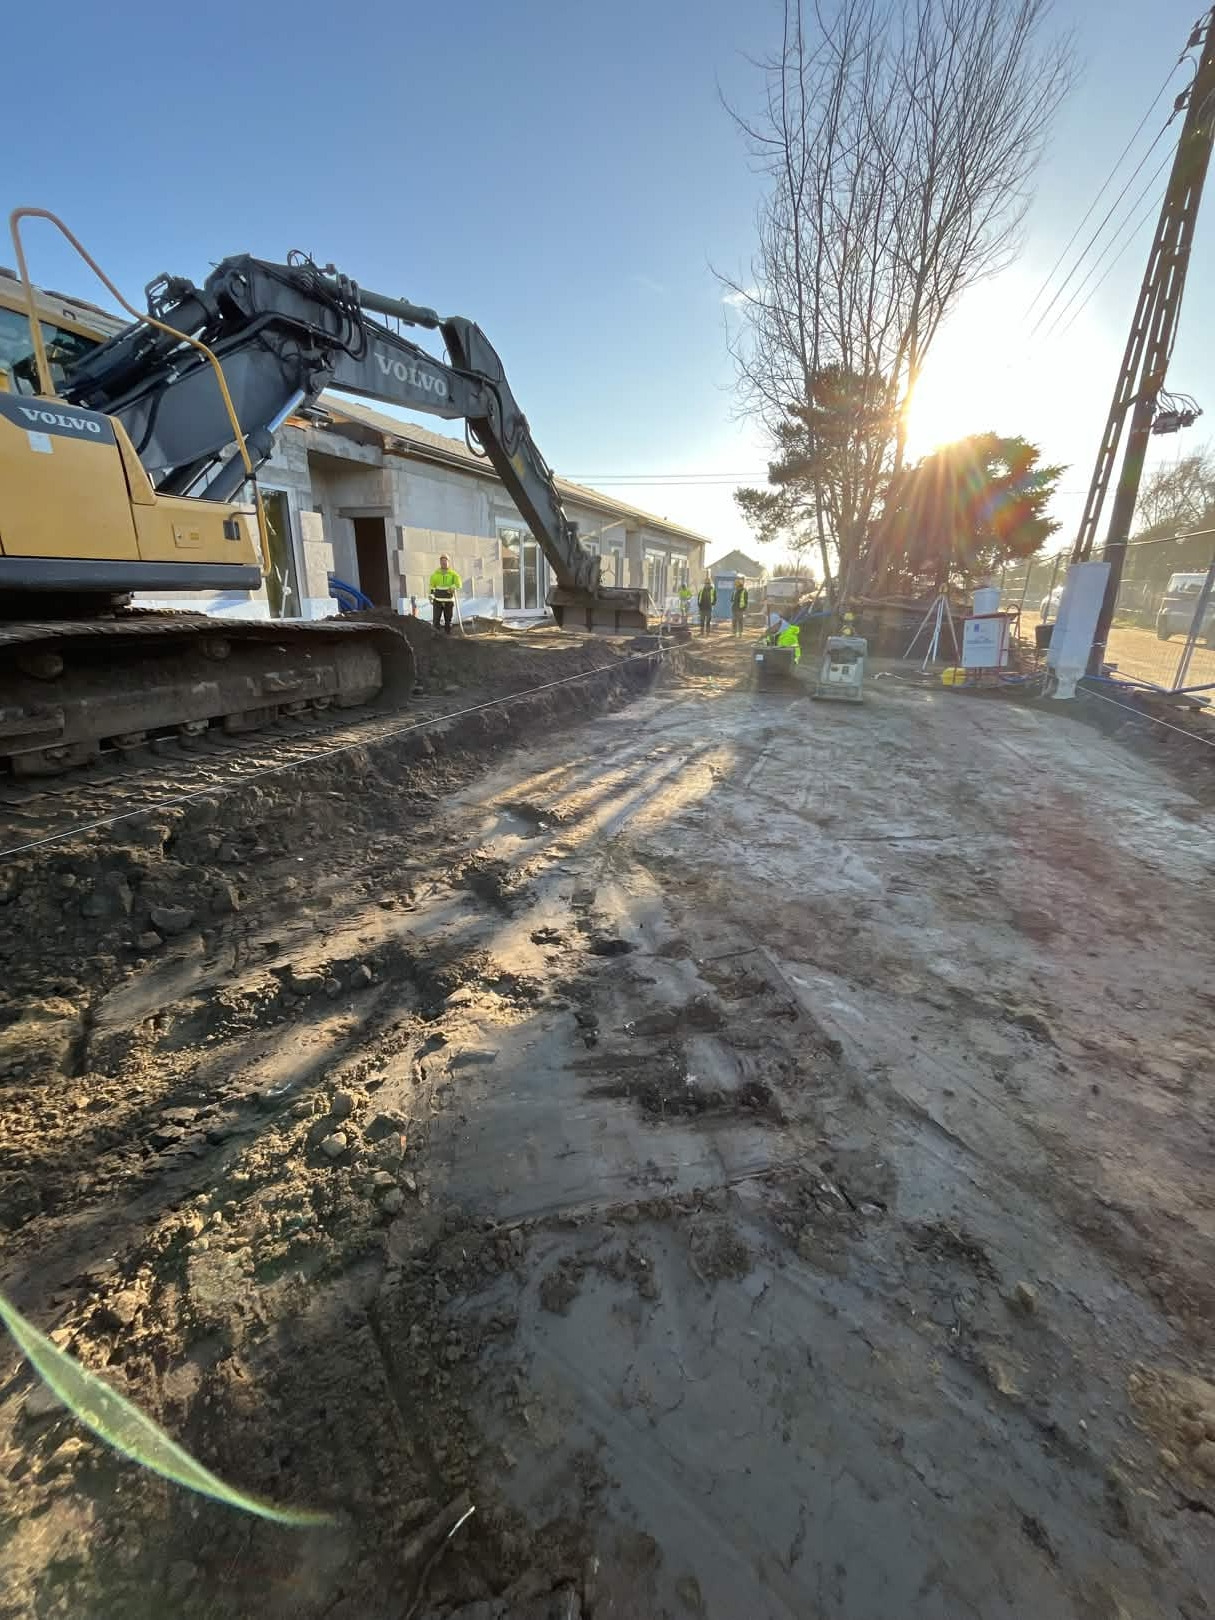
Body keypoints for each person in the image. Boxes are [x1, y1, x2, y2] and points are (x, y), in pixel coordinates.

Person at [428, 554, 462, 635]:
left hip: (449, 602)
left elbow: (459, 584)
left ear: (448, 562)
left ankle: (448, 637)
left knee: (448, 621)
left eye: (445, 561)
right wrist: (431, 595)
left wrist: (453, 586)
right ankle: (436, 638)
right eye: (442, 561)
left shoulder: (453, 574)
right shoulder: (435, 575)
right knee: (436, 621)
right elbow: (432, 586)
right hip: (437, 601)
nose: (444, 563)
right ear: (440, 562)